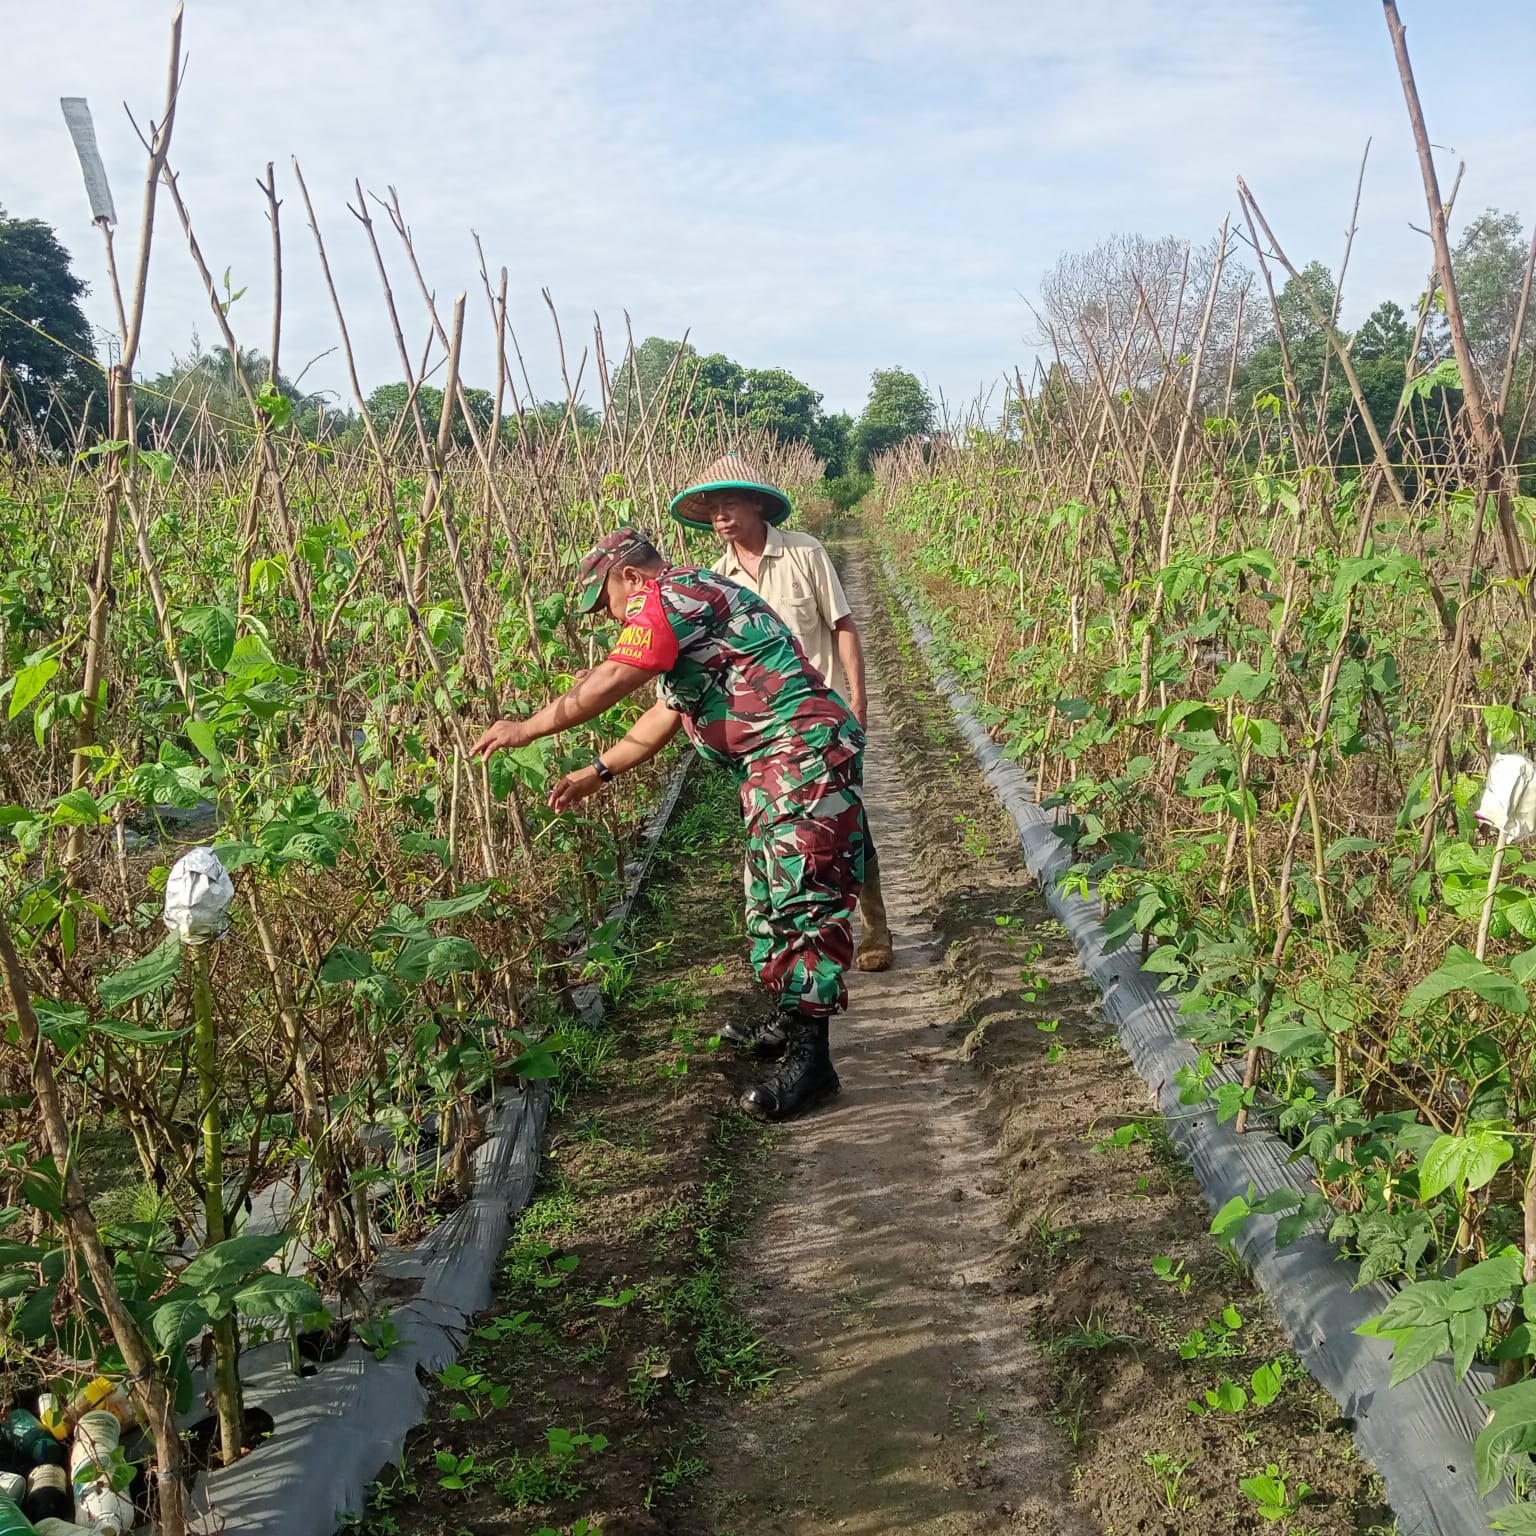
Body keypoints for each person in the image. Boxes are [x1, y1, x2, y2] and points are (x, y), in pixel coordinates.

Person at [470, 526, 866, 1123]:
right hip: (777, 765)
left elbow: (611, 680)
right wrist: (595, 772)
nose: (612, 621)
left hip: (801, 755)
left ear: (631, 576)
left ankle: (815, 1066)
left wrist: (526, 728)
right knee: (769, 896)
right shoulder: (693, 614)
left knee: (800, 898)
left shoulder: (673, 597)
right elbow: (663, 714)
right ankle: (790, 1021)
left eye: (608, 606)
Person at [670, 455, 894, 982]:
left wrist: (857, 702)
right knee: (776, 839)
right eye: (710, 508)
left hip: (821, 722)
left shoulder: (804, 552)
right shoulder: (713, 580)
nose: (719, 516)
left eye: (728, 504)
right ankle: (803, 945)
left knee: (850, 826)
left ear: (757, 503)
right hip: (761, 740)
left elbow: (841, 626)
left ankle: (874, 929)